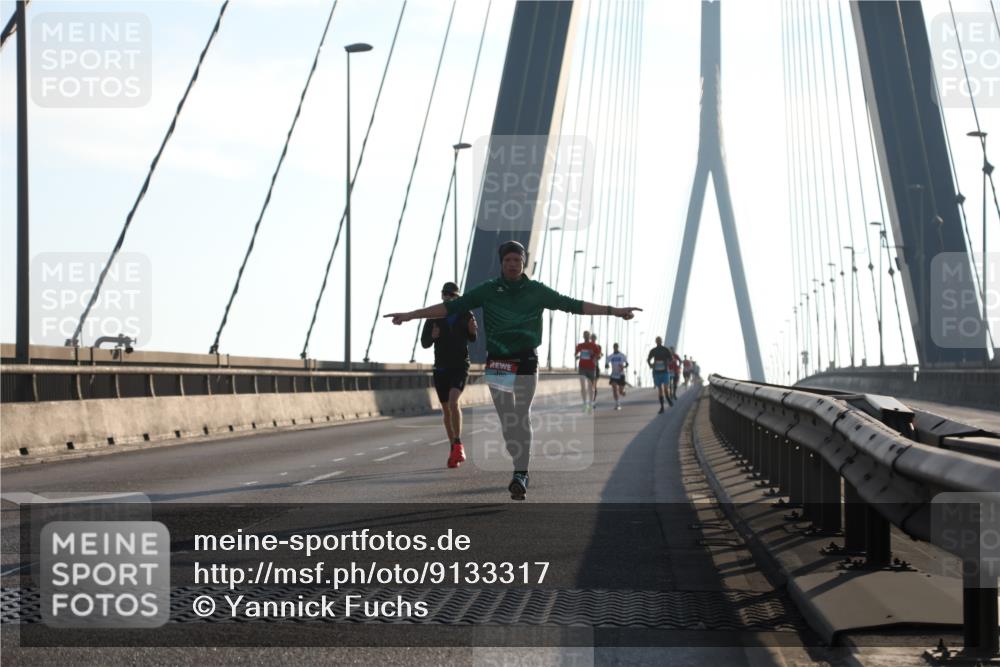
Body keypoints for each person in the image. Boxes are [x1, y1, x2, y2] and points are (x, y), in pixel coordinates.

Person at [386, 240, 640, 501]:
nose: (512, 264)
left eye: (516, 260)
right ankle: (518, 459)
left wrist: (614, 312)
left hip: (527, 359)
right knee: (508, 420)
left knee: (521, 414)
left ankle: (521, 473)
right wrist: (410, 315)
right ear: (501, 263)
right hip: (498, 361)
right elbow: (450, 308)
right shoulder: (487, 290)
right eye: (507, 260)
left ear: (523, 262)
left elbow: (572, 304)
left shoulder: (536, 291)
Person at [420, 281, 477, 468]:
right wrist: (433, 336)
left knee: (454, 401)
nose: (448, 297)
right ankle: (453, 448)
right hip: (441, 367)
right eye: (445, 294)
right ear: (442, 295)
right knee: (446, 409)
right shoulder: (433, 317)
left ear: (457, 297)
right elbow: (425, 343)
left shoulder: (466, 314)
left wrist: (472, 331)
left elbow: (472, 338)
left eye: (452, 295)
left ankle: (458, 443)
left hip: (460, 365)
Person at [647, 337, 674, 413]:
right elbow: (648, 359)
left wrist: (667, 363)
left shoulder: (666, 350)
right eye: (657, 341)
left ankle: (668, 398)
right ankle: (662, 407)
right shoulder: (653, 350)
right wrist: (650, 365)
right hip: (657, 372)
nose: (658, 342)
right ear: (656, 341)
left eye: (660, 340)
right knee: (660, 390)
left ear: (662, 341)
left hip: (665, 371)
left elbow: (671, 359)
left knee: (665, 388)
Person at [575, 331, 599, 413]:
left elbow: (598, 355)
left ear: (589, 336)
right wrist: (577, 356)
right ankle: (585, 404)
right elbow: (576, 354)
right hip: (582, 367)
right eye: (584, 335)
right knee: (583, 387)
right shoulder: (580, 345)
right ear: (583, 336)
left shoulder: (593, 345)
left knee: (590, 387)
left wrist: (593, 355)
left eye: (587, 335)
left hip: (591, 368)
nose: (585, 337)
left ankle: (591, 404)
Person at [605, 343, 628, 410]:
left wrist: (623, 366)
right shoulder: (611, 356)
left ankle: (623, 392)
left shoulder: (622, 355)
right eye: (614, 347)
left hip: (621, 375)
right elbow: (606, 365)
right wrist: (607, 366)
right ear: (613, 348)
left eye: (616, 347)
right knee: (614, 389)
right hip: (614, 375)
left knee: (620, 392)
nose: (615, 348)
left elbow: (627, 364)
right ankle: (617, 404)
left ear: (618, 347)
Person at [589, 333, 602, 405]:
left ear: (595, 339)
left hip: (595, 367)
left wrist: (595, 355)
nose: (593, 339)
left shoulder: (598, 346)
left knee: (594, 385)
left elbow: (599, 356)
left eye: (594, 338)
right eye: (592, 338)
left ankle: (593, 401)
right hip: (587, 367)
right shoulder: (587, 346)